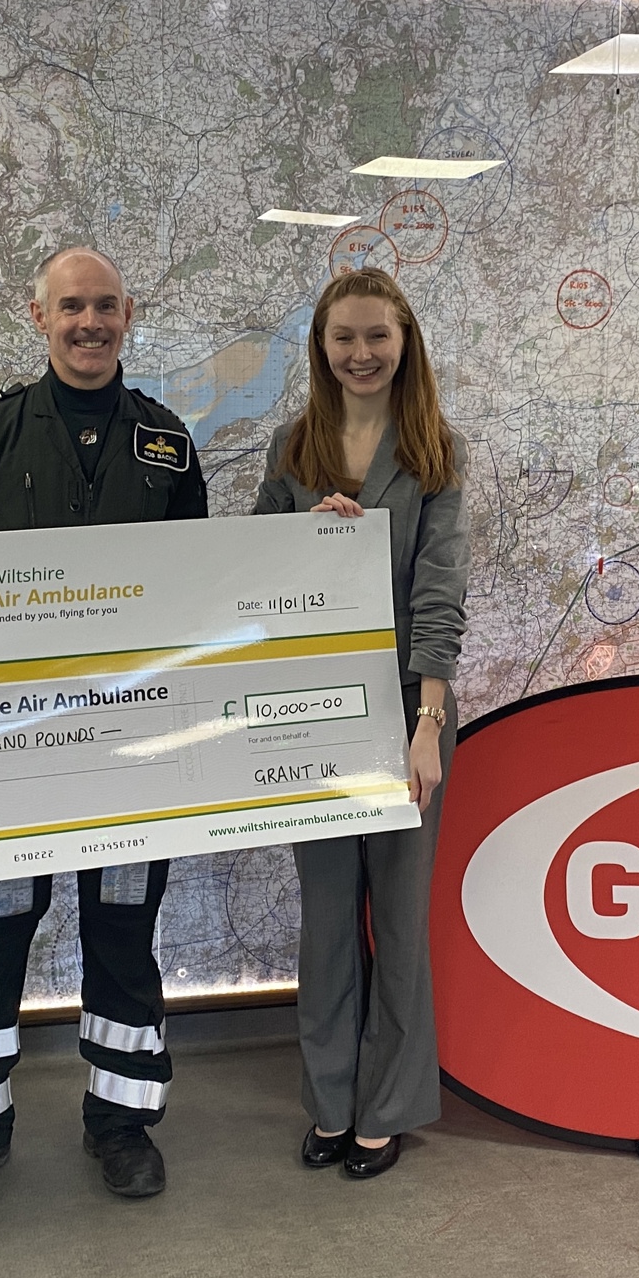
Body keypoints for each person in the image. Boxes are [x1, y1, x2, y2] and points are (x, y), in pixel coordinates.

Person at [0, 246, 207, 1212]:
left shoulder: (168, 443)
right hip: (9, 760)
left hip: (130, 755)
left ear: (131, 314)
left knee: (124, 937)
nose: (90, 323)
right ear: (36, 316)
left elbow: (205, 589)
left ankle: (121, 1127)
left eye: (106, 307)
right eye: (70, 306)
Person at [253, 267, 469, 1178]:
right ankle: (331, 1101)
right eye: (344, 337)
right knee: (328, 921)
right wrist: (311, 538)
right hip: (314, 716)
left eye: (377, 335)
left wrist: (426, 722)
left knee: (401, 922)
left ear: (405, 339)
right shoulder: (293, 449)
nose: (362, 353)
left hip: (408, 710)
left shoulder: (435, 451)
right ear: (321, 346)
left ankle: (387, 1106)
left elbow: (439, 589)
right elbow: (252, 567)